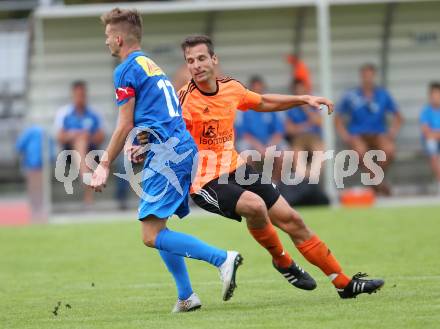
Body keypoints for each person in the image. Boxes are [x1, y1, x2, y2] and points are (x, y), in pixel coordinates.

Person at [170, 35, 384, 299]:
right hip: (205, 181)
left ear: (214, 60)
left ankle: (344, 283)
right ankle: (282, 260)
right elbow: (165, 127)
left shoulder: (231, 88)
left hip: (236, 168)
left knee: (293, 220)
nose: (196, 65)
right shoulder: (183, 99)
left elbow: (263, 102)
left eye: (201, 58)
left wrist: (304, 98)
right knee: (256, 206)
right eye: (190, 61)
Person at [91, 8, 242, 313]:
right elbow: (157, 112)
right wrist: (143, 142)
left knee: (150, 235)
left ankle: (221, 258)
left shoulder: (124, 70)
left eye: (108, 36)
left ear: (119, 38)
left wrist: (104, 164)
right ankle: (186, 296)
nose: (106, 41)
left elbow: (123, 124)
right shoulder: (150, 65)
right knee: (157, 226)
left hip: (167, 155)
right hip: (174, 149)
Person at [335, 63, 403, 196]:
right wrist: (344, 135)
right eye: (365, 75)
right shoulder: (351, 95)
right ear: (361, 77)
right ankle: (379, 184)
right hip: (358, 134)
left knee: (389, 151)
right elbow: (337, 117)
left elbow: (399, 116)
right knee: (360, 153)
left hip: (378, 133)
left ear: (374, 76)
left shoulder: (383, 94)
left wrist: (392, 132)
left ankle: (374, 184)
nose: (367, 78)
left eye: (370, 75)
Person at [54, 80, 105, 205]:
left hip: (92, 151)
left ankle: (86, 179)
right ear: (72, 95)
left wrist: (89, 136)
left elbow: (101, 136)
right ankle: (88, 190)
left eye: (82, 95)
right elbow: (59, 137)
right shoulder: (64, 113)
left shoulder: (94, 114)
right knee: (79, 142)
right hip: (68, 154)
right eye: (77, 95)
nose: (80, 98)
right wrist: (73, 135)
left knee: (83, 143)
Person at [236, 75, 285, 182]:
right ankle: (252, 184)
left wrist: (270, 146)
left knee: (284, 156)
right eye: (255, 89)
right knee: (245, 156)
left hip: (270, 142)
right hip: (251, 142)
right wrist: (258, 147)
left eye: (260, 88)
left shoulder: (272, 106)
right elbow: (243, 133)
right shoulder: (242, 108)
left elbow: (279, 131)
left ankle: (275, 184)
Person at [15, 125, 55, 222]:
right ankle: (37, 211)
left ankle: (37, 211)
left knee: (36, 189)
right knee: (38, 189)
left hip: (36, 165)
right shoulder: (41, 133)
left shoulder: (32, 133)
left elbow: (19, 146)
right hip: (36, 165)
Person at [420, 82, 440, 194]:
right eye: (433, 95)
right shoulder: (426, 111)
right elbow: (427, 133)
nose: (435, 98)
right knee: (431, 146)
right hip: (431, 142)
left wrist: (435, 133)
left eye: (438, 94)